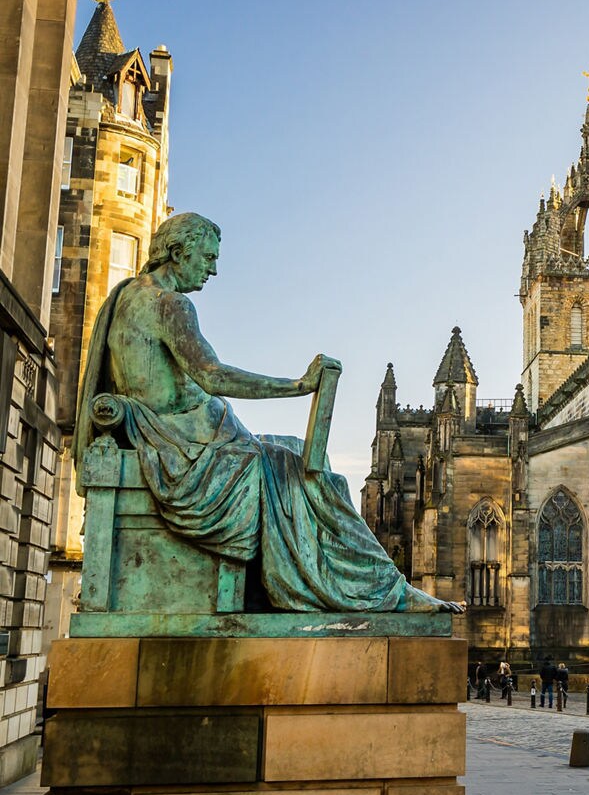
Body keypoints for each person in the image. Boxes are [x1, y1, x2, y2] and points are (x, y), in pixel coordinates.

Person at [73, 212, 465, 615]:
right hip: (188, 447)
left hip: (187, 436)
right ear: (177, 252)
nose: (213, 269)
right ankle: (387, 592)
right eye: (207, 258)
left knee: (299, 449)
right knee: (313, 478)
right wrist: (298, 386)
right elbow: (213, 375)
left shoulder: (126, 295)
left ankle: (371, 584)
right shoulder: (170, 305)